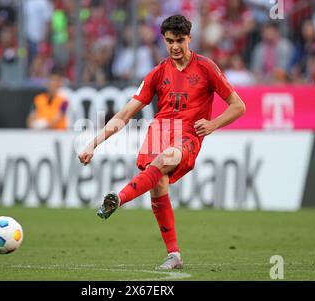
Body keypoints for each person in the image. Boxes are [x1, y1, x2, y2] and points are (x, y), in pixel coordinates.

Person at [78, 15, 246, 270]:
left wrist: (212, 125)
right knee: (158, 185)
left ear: (189, 38)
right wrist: (93, 143)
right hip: (159, 130)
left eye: (179, 40)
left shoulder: (206, 67)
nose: (175, 47)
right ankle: (174, 255)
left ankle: (119, 199)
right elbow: (124, 115)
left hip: (188, 134)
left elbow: (238, 106)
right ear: (163, 40)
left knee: (165, 159)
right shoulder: (157, 72)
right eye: (169, 41)